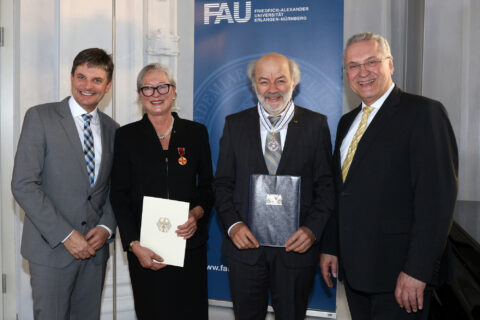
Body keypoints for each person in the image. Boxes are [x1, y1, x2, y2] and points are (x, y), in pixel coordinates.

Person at [320, 32, 458, 320]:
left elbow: (436, 202)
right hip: (356, 272)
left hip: (400, 277)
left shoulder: (424, 113)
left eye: (371, 62)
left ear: (391, 64)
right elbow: (340, 191)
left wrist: (417, 271)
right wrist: (331, 247)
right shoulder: (347, 123)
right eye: (353, 66)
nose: (363, 72)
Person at [214, 52, 334, 320]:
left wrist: (312, 230)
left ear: (294, 83)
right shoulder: (235, 125)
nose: (272, 89)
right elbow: (222, 184)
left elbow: (326, 187)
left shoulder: (316, 125)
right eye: (264, 81)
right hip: (245, 252)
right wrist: (233, 226)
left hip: (295, 252)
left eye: (280, 80)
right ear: (254, 85)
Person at [11, 48, 118, 319]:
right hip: (51, 251)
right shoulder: (40, 117)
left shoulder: (114, 129)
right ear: (71, 77)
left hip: (95, 254)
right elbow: (24, 184)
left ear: (108, 86)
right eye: (81, 77)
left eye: (96, 80)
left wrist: (106, 227)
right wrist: (67, 236)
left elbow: (114, 189)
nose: (87, 86)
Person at [109, 63, 214, 320]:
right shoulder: (126, 136)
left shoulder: (196, 133)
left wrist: (197, 214)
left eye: (162, 87)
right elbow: (119, 196)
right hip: (146, 250)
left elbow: (208, 187)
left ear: (174, 91)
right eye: (147, 88)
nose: (156, 94)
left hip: (189, 246)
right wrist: (134, 244)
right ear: (140, 95)